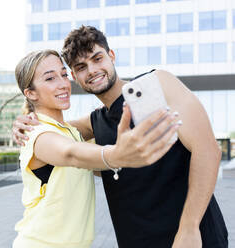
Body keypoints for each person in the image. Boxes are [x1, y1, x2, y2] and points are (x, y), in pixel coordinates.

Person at [12, 26, 228, 248]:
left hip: (193, 238)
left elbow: (208, 150)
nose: (93, 70)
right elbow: (56, 137)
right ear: (75, 77)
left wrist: (190, 228)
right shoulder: (94, 123)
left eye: (98, 59)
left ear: (111, 56)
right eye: (81, 67)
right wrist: (25, 122)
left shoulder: (156, 84)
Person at [12, 49, 180, 248]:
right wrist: (117, 155)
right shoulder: (35, 133)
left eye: (64, 75)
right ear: (31, 93)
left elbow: (89, 160)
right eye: (50, 78)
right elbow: (71, 153)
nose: (63, 84)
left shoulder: (69, 132)